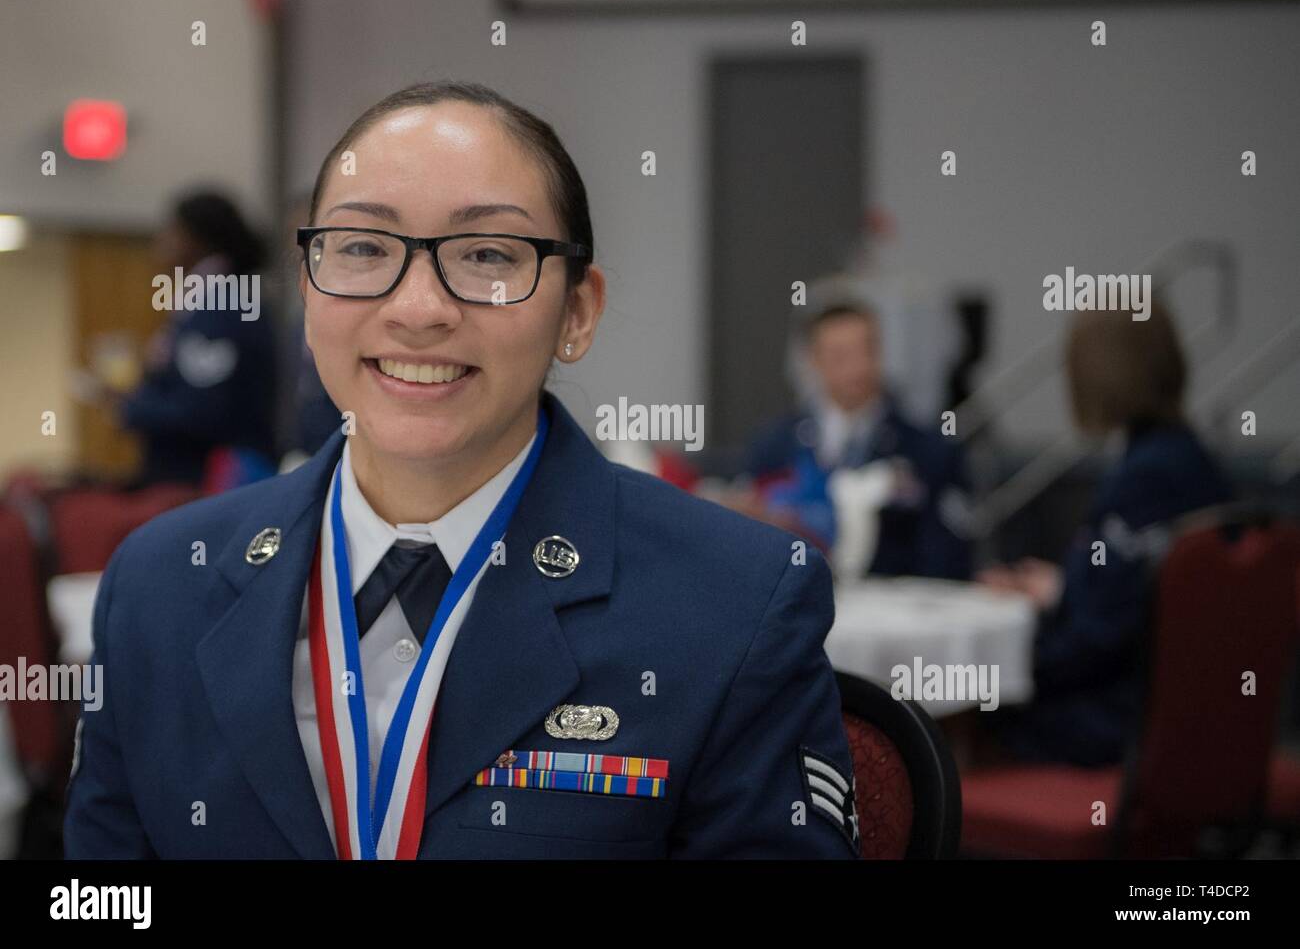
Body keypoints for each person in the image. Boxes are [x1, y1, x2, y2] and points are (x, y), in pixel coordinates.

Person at [63, 81, 860, 859]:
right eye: (365, 247)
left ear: (577, 312)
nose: (418, 308)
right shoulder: (159, 587)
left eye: (486, 253)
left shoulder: (733, 603)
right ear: (309, 291)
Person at [977, 300, 1231, 767]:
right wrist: (1065, 587)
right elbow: (1145, 594)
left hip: (1119, 727)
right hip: (1192, 719)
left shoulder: (1142, 480)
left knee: (946, 716)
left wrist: (997, 673)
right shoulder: (1195, 462)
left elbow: (1095, 643)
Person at [745, 302, 973, 580]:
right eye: (840, 356)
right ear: (813, 360)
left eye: (868, 350)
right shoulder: (775, 446)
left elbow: (948, 556)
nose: (858, 368)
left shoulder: (928, 450)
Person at [118, 190, 279, 487]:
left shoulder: (224, 302)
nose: (161, 240)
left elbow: (204, 410)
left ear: (196, 239)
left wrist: (132, 408)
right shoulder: (209, 297)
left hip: (208, 480)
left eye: (172, 230)